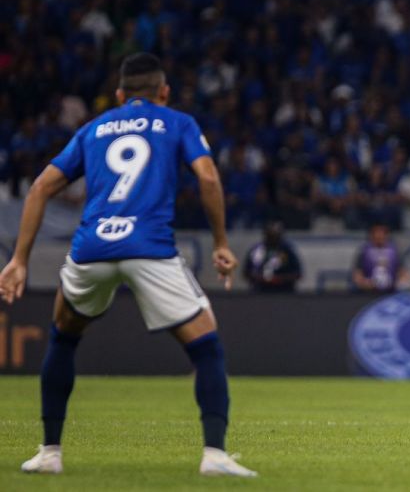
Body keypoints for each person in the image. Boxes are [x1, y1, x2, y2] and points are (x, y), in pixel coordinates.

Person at [0, 53, 257, 476]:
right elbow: (209, 177)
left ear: (120, 95)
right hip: (149, 248)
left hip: (92, 249)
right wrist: (220, 243)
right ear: (164, 92)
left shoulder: (93, 129)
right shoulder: (177, 122)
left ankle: (49, 453)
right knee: (206, 347)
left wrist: (19, 259)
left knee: (63, 339)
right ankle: (215, 455)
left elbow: (40, 187)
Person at [243, 220, 302, 292]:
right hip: (260, 291)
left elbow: (298, 273)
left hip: (284, 291)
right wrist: (263, 279)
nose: (273, 238)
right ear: (265, 234)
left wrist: (280, 279)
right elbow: (247, 273)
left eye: (276, 235)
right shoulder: (257, 250)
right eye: (270, 235)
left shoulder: (287, 250)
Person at [352, 222, 408, 292]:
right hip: (368, 291)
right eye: (376, 234)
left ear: (387, 235)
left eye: (382, 233)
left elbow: (403, 273)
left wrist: (400, 283)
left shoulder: (395, 251)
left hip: (391, 291)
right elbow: (357, 275)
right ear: (371, 236)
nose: (379, 236)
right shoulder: (364, 252)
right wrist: (364, 283)